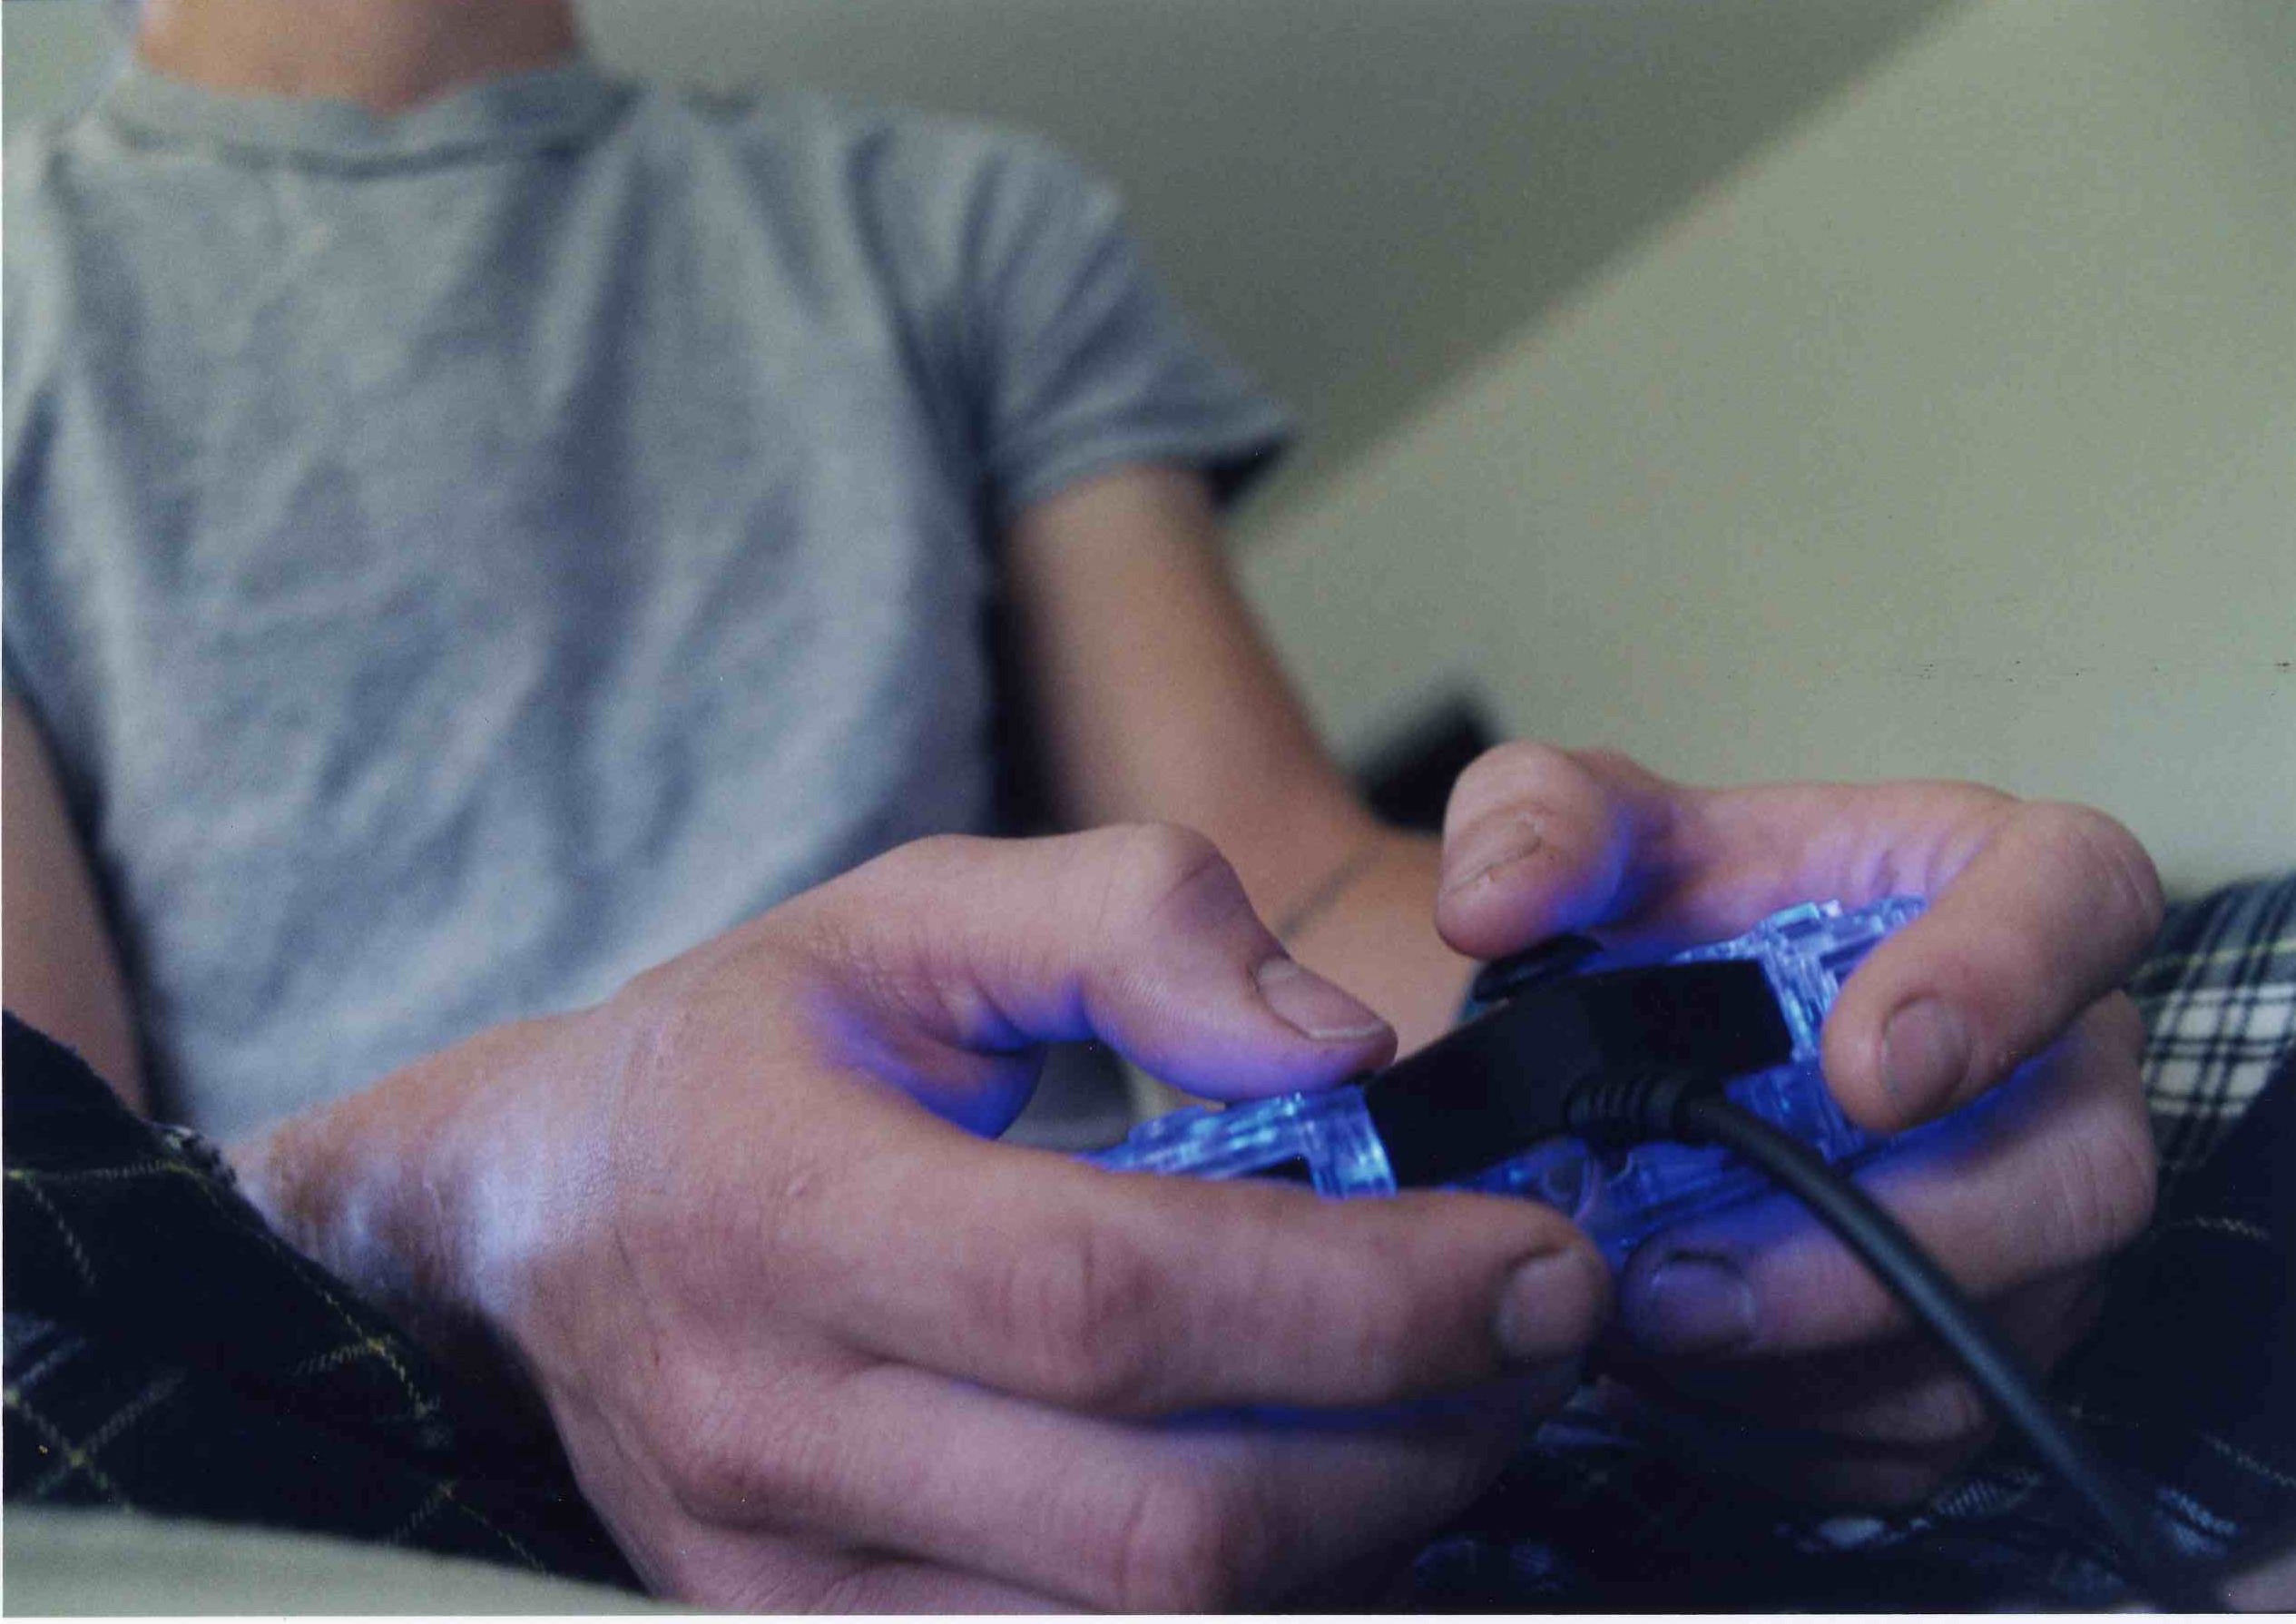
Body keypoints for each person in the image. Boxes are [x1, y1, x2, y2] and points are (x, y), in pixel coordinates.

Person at [4, 0, 2283, 1609]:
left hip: (1093, 1408)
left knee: (2169, 1014)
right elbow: (56, 1198)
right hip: (362, 1440)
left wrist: (1681, 995)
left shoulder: (943, 224)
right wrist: (506, 1223)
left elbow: (1285, 879)